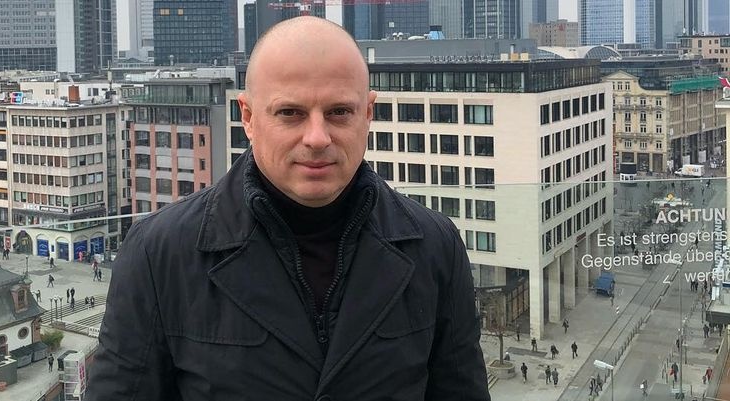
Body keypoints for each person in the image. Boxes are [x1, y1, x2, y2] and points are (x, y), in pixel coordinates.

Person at [87, 16, 490, 401]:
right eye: (290, 113)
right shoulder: (158, 254)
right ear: (247, 117)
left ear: (368, 113)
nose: (317, 137)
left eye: (339, 112)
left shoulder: (435, 247)